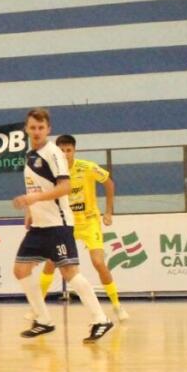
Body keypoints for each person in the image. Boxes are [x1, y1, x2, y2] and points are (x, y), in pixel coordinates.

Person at [13, 108, 113, 344]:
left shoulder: (54, 153)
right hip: (39, 226)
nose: (36, 132)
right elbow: (34, 186)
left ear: (48, 129)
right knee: (21, 270)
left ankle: (101, 319)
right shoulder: (30, 155)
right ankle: (43, 320)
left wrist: (34, 199)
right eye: (32, 127)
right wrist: (30, 211)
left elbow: (65, 187)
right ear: (26, 129)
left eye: (41, 128)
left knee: (69, 273)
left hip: (58, 225)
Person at [38, 135, 128, 322]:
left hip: (89, 221)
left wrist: (108, 212)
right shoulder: (52, 173)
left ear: (74, 151)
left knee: (98, 263)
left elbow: (109, 183)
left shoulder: (87, 167)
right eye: (61, 151)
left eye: (68, 150)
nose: (65, 154)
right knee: (51, 262)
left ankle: (117, 305)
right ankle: (37, 308)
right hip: (66, 223)